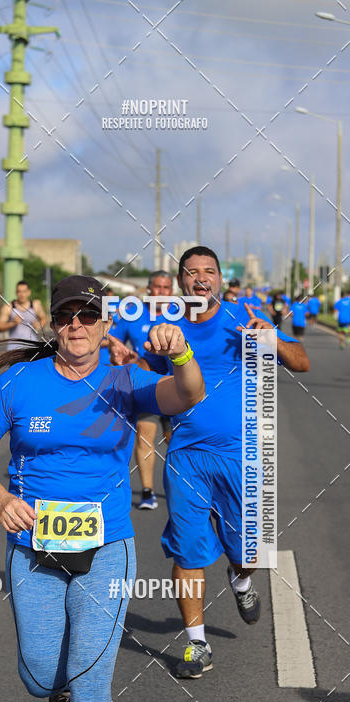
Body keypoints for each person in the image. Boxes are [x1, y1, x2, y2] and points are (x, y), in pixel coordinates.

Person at [0, 275, 204, 702]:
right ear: (55, 322)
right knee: (41, 676)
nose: (77, 325)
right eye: (68, 314)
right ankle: (57, 686)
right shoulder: (20, 382)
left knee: (94, 676)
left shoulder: (125, 382)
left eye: (88, 316)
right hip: (35, 548)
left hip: (107, 545)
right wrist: (0, 499)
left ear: (104, 324)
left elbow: (188, 394)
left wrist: (182, 352)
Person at [111, 247, 310, 679]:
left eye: (209, 271)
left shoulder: (244, 319)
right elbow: (148, 372)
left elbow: (302, 362)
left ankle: (240, 580)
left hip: (243, 456)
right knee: (187, 552)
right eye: (192, 272)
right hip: (186, 457)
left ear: (219, 278)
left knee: (248, 552)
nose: (201, 278)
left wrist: (272, 339)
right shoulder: (168, 328)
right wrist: (131, 364)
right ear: (183, 281)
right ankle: (197, 644)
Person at [119, 272, 174, 509]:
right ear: (149, 289)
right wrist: (123, 356)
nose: (161, 291)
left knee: (177, 442)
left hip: (177, 387)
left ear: (172, 290)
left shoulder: (181, 315)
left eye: (166, 287)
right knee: (144, 435)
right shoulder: (133, 314)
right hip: (146, 388)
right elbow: (112, 340)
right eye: (157, 287)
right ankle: (148, 491)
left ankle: (179, 489)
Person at [0, 280, 47, 349]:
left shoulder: (35, 305)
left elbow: (44, 318)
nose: (22, 294)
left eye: (24, 291)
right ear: (16, 293)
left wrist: (39, 324)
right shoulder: (9, 307)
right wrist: (13, 323)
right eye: (19, 291)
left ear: (29, 292)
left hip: (32, 346)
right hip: (14, 347)